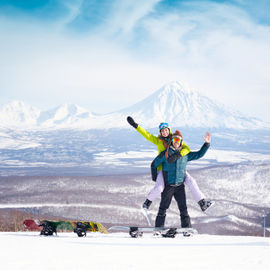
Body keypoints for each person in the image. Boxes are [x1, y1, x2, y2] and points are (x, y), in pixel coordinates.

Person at [127, 116, 213, 212]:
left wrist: (179, 155)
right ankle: (147, 202)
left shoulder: (175, 139)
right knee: (159, 187)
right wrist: (135, 125)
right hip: (164, 169)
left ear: (169, 130)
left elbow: (186, 149)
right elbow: (147, 135)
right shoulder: (158, 141)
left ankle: (202, 202)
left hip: (177, 166)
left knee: (191, 181)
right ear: (160, 132)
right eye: (162, 131)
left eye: (166, 130)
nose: (164, 132)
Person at [152, 130, 211, 229]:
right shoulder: (165, 154)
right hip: (168, 186)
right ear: (171, 141)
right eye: (174, 139)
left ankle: (187, 229)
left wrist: (207, 144)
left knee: (183, 209)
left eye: (178, 140)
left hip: (180, 186)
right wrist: (155, 178)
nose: (176, 141)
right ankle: (158, 228)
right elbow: (154, 164)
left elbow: (199, 154)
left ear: (181, 142)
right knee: (163, 208)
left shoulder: (185, 155)